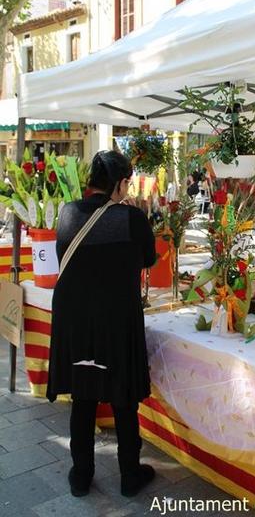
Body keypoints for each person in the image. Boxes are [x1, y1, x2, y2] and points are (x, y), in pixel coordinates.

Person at [46, 150, 156, 498]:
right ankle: (129, 474)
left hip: (75, 319)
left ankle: (81, 474)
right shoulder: (130, 218)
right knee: (122, 396)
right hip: (116, 319)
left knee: (83, 394)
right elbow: (149, 258)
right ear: (121, 184)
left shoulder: (66, 213)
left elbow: (65, 255)